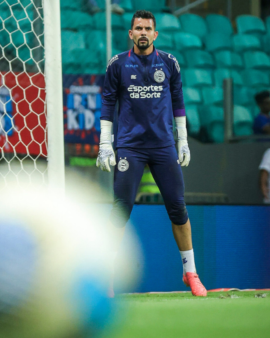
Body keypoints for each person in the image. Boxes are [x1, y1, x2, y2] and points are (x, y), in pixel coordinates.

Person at [96, 10, 207, 297]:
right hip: (130, 147)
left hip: (162, 146)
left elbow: (179, 100)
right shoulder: (117, 65)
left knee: (178, 209)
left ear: (155, 34)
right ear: (130, 34)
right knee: (120, 210)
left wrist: (182, 140)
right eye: (138, 28)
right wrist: (105, 144)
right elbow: (107, 105)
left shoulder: (169, 63)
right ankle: (105, 276)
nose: (143, 32)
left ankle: (190, 273)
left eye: (148, 28)